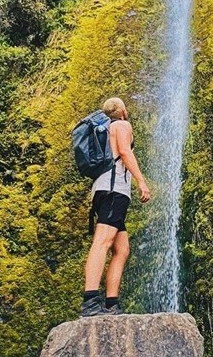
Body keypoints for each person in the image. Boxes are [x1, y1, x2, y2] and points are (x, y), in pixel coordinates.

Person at [80, 97, 151, 317]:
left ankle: (111, 303)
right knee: (103, 241)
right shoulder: (121, 124)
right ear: (120, 111)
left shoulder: (107, 129)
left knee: (122, 249)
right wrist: (141, 181)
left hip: (106, 189)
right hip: (114, 189)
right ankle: (90, 301)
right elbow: (125, 152)